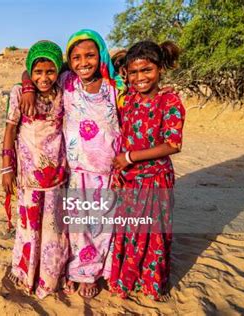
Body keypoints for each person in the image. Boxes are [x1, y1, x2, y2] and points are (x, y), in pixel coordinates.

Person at [20, 29, 126, 299]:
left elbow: (128, 122)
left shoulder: (115, 87)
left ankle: (94, 273)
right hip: (74, 169)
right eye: (76, 57)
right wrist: (29, 87)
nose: (83, 62)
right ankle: (80, 271)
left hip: (106, 169)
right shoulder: (67, 81)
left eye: (90, 55)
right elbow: (34, 69)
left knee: (101, 225)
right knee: (77, 228)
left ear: (100, 54)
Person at [110, 40, 185, 301]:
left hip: (156, 179)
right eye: (134, 72)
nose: (140, 78)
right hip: (130, 179)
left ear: (160, 68)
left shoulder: (169, 100)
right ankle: (127, 280)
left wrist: (130, 157)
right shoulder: (127, 98)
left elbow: (173, 144)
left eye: (147, 70)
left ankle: (153, 284)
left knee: (154, 234)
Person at [1, 40, 69, 299]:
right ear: (31, 70)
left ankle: (52, 275)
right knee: (29, 227)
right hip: (29, 176)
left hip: (58, 176)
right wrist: (6, 169)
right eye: (37, 72)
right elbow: (10, 130)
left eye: (49, 71)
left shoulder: (63, 90)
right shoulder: (19, 93)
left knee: (54, 229)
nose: (44, 77)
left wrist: (30, 80)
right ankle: (27, 273)